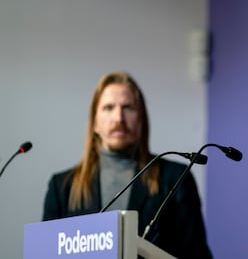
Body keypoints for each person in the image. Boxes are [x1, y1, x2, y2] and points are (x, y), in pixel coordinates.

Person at [42, 71, 212, 259]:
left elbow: (197, 255)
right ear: (95, 123)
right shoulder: (62, 187)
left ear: (141, 120)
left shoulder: (176, 178)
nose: (118, 118)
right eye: (108, 108)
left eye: (128, 107)